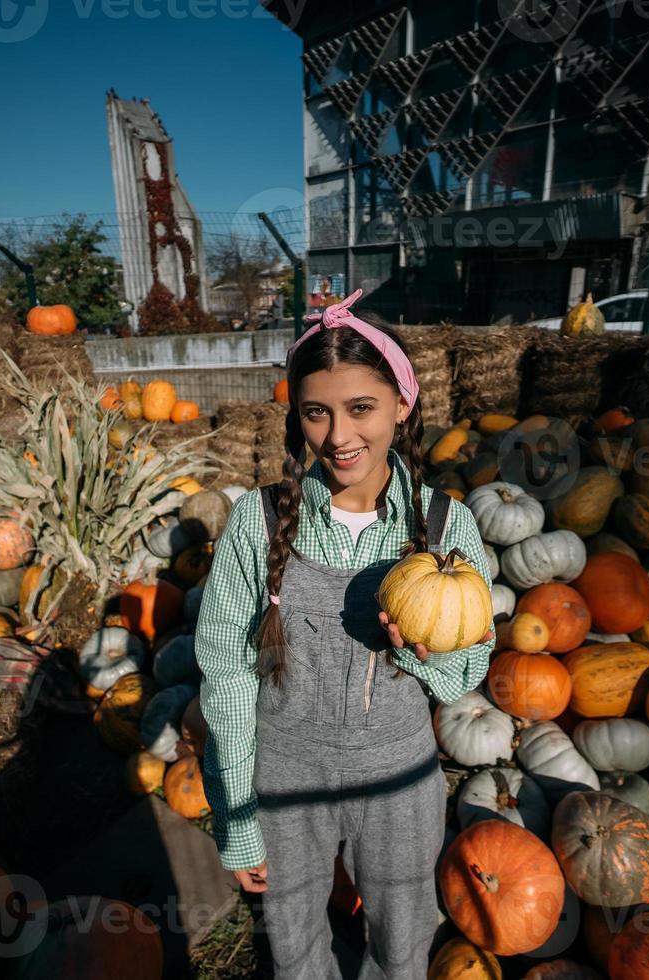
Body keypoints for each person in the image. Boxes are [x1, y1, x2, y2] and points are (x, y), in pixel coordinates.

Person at [195, 288, 496, 979]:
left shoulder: (447, 527)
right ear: (296, 417)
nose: (338, 436)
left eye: (360, 408)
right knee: (294, 942)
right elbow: (227, 675)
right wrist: (238, 822)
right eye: (315, 413)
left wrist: (421, 657)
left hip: (399, 777)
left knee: (401, 939)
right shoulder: (258, 521)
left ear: (401, 405)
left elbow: (466, 666)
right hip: (283, 772)